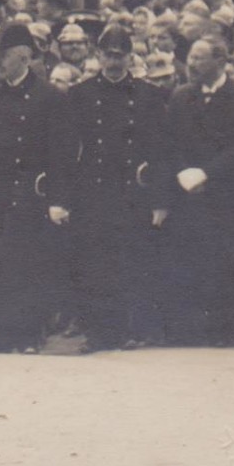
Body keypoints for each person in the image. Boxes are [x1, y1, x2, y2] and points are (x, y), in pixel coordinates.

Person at [0, 22, 74, 354]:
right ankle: (0, 335)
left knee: (24, 265)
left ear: (24, 56)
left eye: (4, 55)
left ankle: (28, 335)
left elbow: (60, 155)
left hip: (27, 195)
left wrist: (57, 200)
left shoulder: (49, 96)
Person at [62, 26, 170, 351]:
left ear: (130, 57)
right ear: (97, 55)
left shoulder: (149, 95)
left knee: (129, 263)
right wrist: (64, 199)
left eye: (120, 56)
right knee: (93, 264)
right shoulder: (78, 95)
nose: (113, 62)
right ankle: (96, 333)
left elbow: (160, 151)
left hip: (131, 193)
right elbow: (67, 152)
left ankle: (126, 331)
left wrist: (160, 201)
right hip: (92, 193)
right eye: (108, 55)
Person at [161, 37, 234, 346]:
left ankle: (221, 329)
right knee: (187, 257)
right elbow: (170, 141)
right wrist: (183, 172)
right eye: (190, 57)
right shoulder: (180, 96)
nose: (191, 64)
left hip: (223, 193)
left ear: (220, 62)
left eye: (199, 58)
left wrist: (206, 173)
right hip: (186, 191)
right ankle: (186, 329)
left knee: (223, 259)